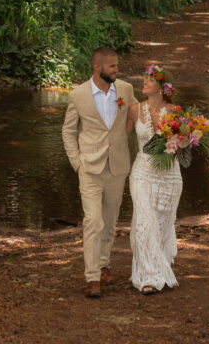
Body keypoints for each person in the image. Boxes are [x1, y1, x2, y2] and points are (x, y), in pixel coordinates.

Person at [61, 46, 136, 298]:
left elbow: (136, 115)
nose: (117, 70)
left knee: (109, 219)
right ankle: (92, 277)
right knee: (92, 221)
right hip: (89, 168)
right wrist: (77, 163)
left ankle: (104, 265)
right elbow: (68, 132)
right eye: (112, 66)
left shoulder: (125, 90)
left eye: (117, 65)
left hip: (117, 166)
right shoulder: (77, 95)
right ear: (97, 67)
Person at [126, 63, 182, 295]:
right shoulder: (133, 110)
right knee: (144, 220)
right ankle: (148, 276)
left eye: (150, 80)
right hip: (142, 173)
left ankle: (158, 266)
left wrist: (181, 143)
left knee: (162, 223)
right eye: (145, 79)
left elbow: (184, 141)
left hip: (170, 175)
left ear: (161, 87)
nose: (144, 82)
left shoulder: (176, 111)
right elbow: (117, 136)